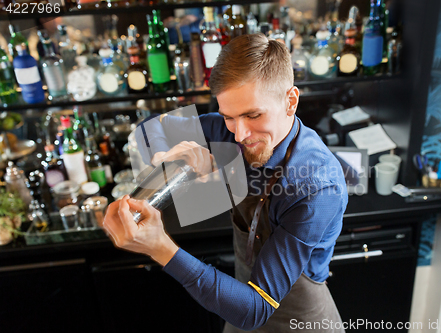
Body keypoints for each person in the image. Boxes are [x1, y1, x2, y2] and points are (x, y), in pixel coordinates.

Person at [103, 33, 348, 332]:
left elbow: (256, 310)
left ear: (290, 101)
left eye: (253, 115)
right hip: (239, 293)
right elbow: (150, 125)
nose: (239, 134)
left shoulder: (317, 186)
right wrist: (165, 155)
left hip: (297, 310)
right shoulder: (226, 127)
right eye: (229, 117)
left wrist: (160, 248)